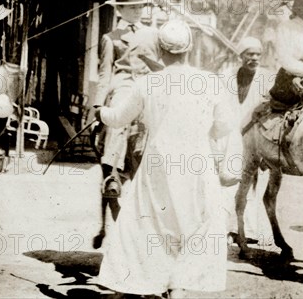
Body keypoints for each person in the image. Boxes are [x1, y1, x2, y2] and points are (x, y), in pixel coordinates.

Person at [95, 19, 235, 298]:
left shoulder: (147, 83)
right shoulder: (209, 81)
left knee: (147, 223)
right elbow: (225, 126)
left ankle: (145, 282)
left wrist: (100, 110)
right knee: (193, 224)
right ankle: (177, 284)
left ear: (160, 50)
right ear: (189, 48)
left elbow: (118, 117)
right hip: (197, 165)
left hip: (158, 165)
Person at [93, 0, 163, 197]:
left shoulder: (153, 34)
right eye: (132, 7)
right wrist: (98, 106)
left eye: (140, 7)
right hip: (124, 84)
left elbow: (159, 64)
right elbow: (105, 74)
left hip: (148, 84)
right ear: (120, 9)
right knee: (119, 117)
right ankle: (113, 173)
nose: (137, 11)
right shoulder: (111, 37)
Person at [223, 36, 274, 245]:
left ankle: (249, 230)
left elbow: (269, 110)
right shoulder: (227, 76)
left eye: (257, 54)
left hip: (255, 138)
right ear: (240, 56)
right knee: (229, 180)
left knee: (253, 183)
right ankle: (227, 228)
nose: (254, 58)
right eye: (249, 54)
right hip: (230, 135)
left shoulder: (267, 78)